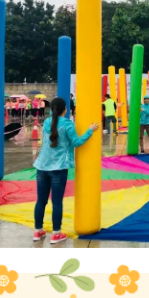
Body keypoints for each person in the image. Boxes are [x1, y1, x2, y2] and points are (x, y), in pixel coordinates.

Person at [33, 97, 99, 243]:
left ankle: (37, 231)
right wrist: (90, 130)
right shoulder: (68, 124)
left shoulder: (47, 122)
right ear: (65, 109)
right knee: (57, 202)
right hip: (59, 167)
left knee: (41, 201)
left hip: (42, 166)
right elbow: (77, 142)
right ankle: (56, 233)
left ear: (51, 109)